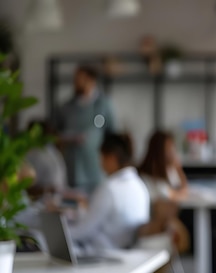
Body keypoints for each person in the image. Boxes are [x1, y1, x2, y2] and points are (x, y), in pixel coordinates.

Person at [68, 132, 149, 250]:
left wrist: (57, 234)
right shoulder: (141, 186)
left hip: (105, 253)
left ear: (111, 158)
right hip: (131, 252)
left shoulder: (109, 189)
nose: (101, 164)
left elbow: (84, 231)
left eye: (102, 158)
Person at [55, 64, 116, 195]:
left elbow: (112, 134)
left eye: (79, 78)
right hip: (72, 167)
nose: (75, 82)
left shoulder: (103, 104)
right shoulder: (67, 107)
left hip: (95, 168)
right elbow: (56, 131)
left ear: (91, 80)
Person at [138, 130, 188, 202]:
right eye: (168, 148)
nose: (172, 152)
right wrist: (178, 168)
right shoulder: (150, 177)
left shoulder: (169, 170)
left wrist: (178, 169)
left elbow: (181, 188)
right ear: (159, 151)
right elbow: (177, 196)